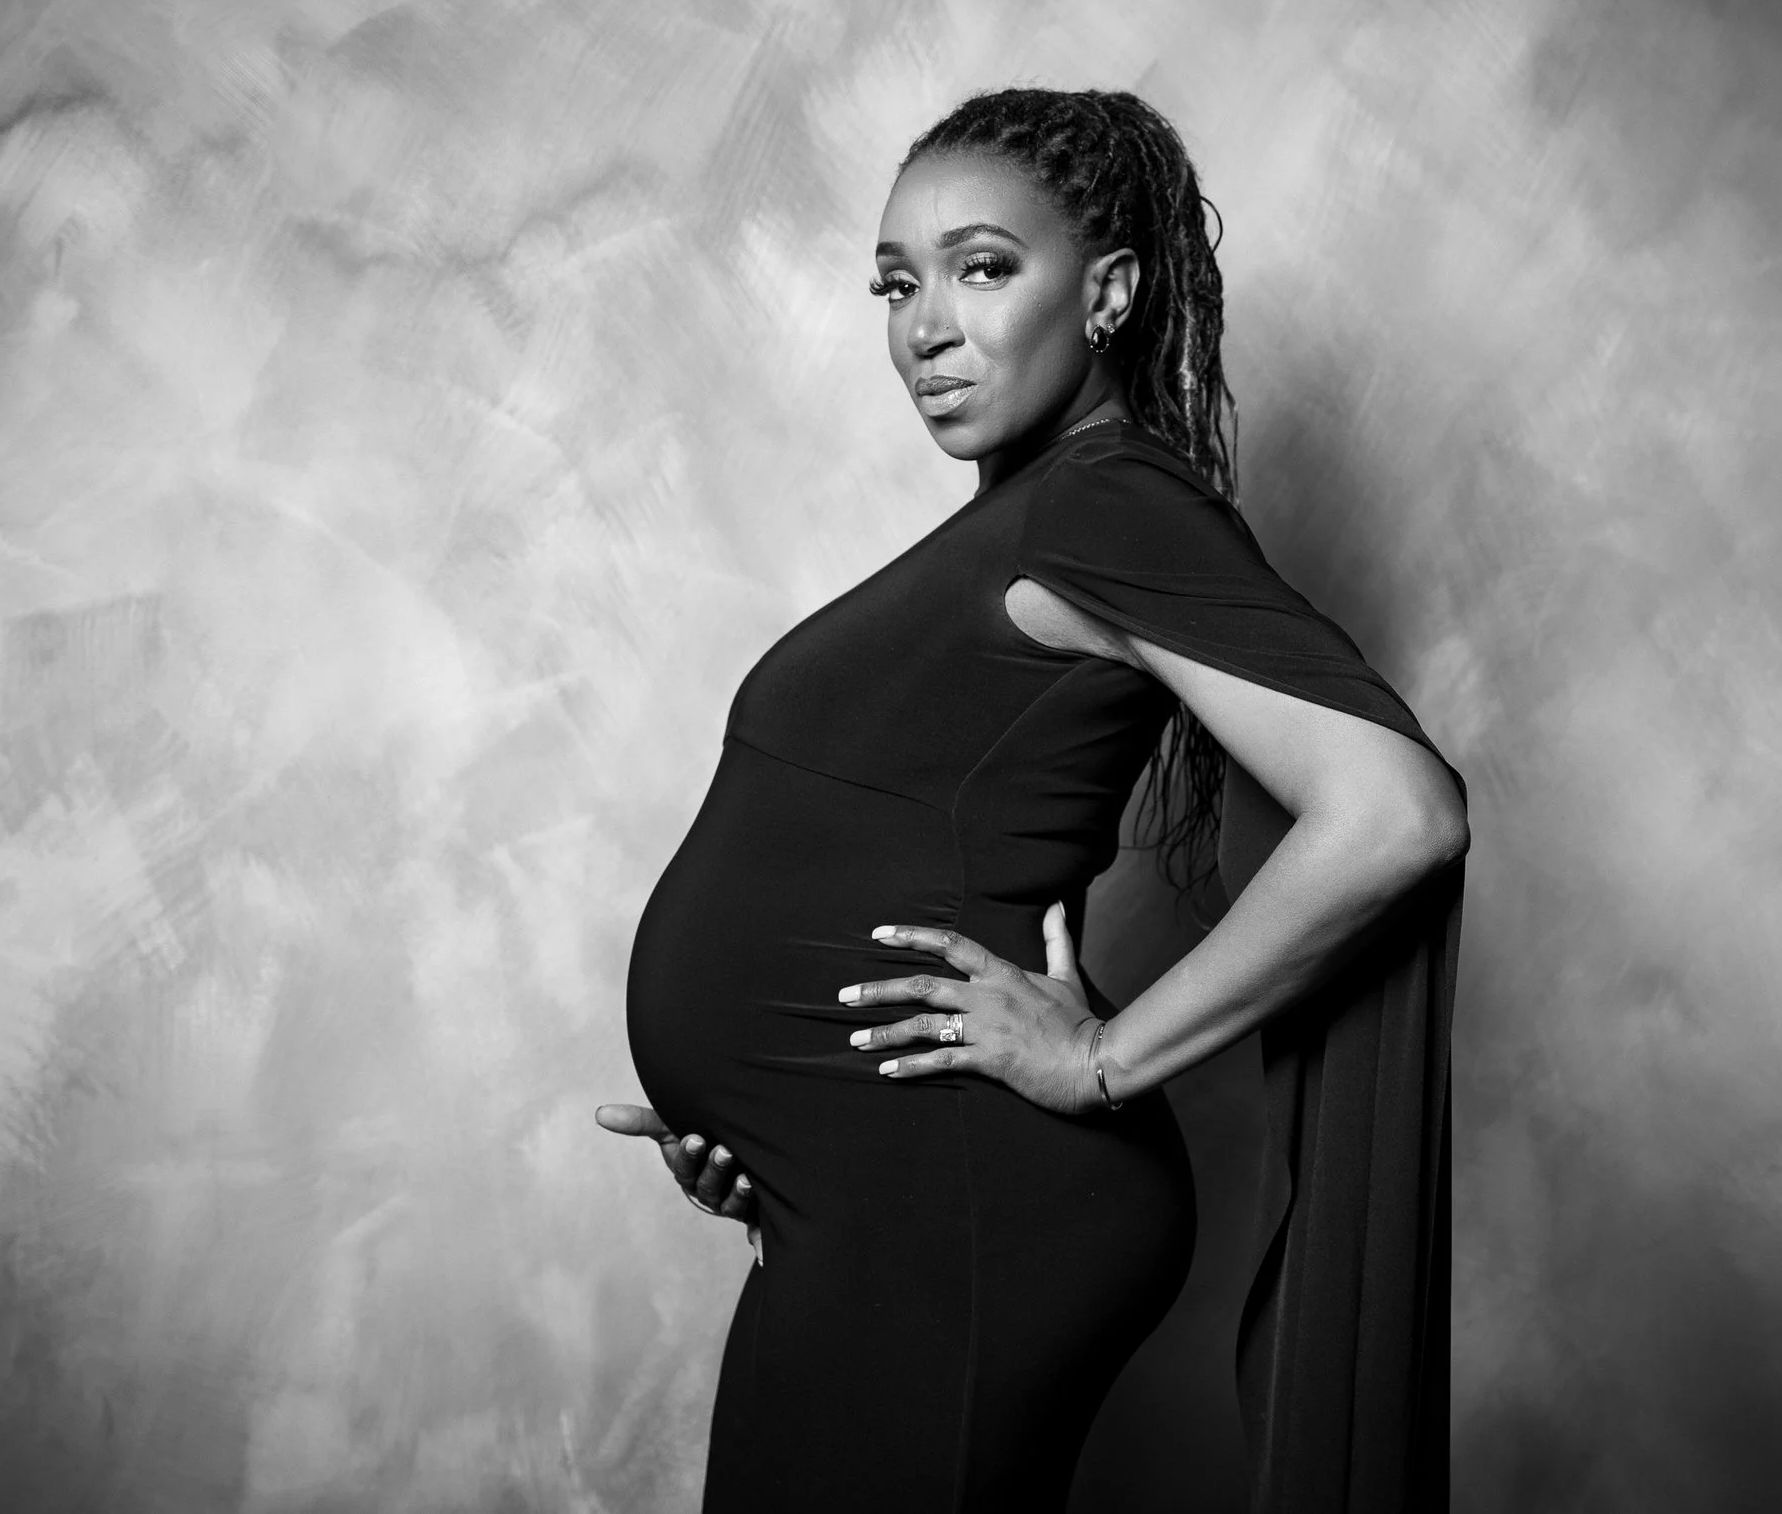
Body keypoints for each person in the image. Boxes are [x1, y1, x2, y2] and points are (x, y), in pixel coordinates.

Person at [596, 87, 1468, 1511]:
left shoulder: (1102, 503)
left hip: (969, 1204)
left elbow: (1397, 813)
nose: (926, 327)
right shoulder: (1033, 515)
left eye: (984, 268)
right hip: (881, 1200)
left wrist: (1102, 1059)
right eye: (897, 285)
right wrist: (776, 1127)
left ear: (1108, 292)